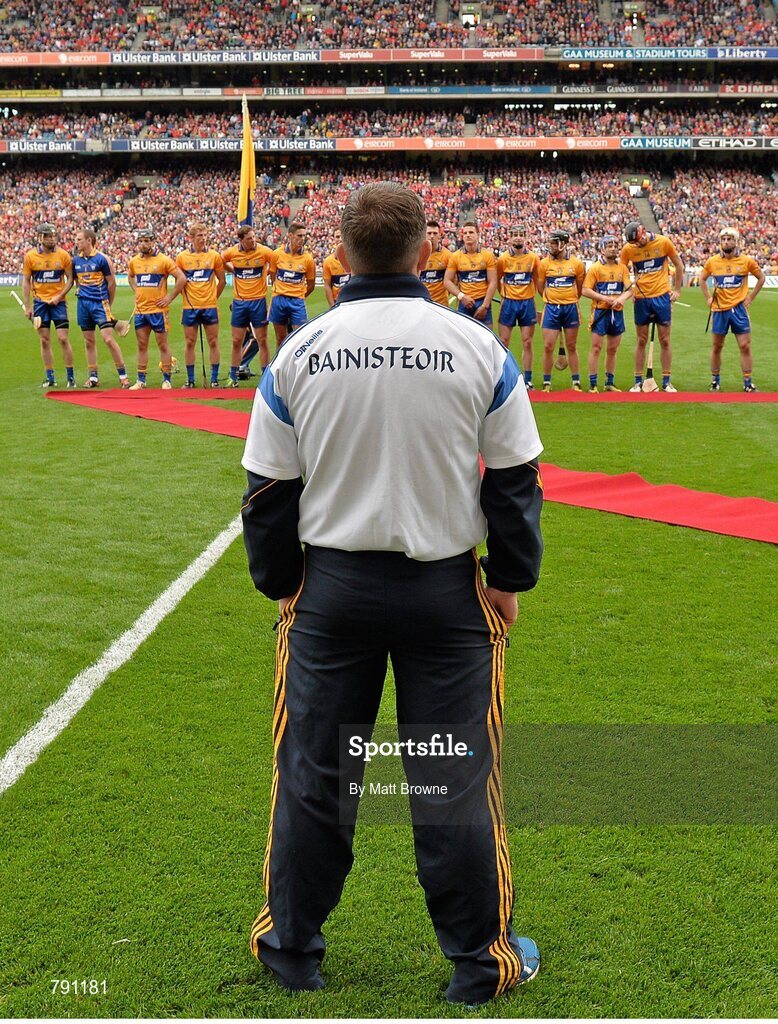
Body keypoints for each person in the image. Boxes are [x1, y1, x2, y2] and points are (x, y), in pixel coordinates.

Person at [241, 182, 544, 1007]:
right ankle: (479, 962)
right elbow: (515, 478)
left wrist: (282, 585)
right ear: (426, 251)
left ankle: (292, 946)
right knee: (452, 778)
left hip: (330, 592)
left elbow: (267, 491)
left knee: (314, 775)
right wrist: (509, 579)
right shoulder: (475, 345)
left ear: (339, 254)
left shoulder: (300, 351)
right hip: (446, 596)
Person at [620, 220, 685, 393]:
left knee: (665, 340)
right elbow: (622, 271)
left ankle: (666, 381)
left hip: (661, 297)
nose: (637, 245)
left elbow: (679, 264)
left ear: (643, 231)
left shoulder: (663, 242)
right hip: (641, 299)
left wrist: (677, 290)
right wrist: (630, 289)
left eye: (638, 240)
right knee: (641, 340)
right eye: (633, 243)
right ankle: (637, 381)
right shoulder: (628, 249)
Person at [700, 227, 765, 393]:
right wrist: (708, 298)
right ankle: (715, 381)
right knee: (717, 346)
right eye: (723, 239)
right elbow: (702, 278)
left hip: (738, 309)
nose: (726, 242)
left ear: (736, 242)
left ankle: (748, 382)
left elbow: (761, 278)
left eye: (729, 239)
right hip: (719, 310)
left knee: (745, 346)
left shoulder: (746, 261)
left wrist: (750, 298)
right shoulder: (713, 262)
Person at [69, 227, 131, 389]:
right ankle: (93, 377)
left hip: (99, 304)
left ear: (89, 240)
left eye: (79, 239)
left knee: (108, 339)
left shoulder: (102, 259)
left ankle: (123, 376)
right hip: (83, 305)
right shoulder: (76, 261)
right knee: (88, 341)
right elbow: (75, 280)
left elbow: (112, 283)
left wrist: (108, 304)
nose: (77, 242)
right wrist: (79, 289)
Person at [127, 227, 186, 390]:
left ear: (153, 242)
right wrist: (136, 290)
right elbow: (130, 276)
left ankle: (167, 379)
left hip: (158, 312)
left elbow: (181, 279)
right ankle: (141, 380)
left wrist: (169, 298)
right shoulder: (134, 262)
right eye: (141, 241)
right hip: (141, 311)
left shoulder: (164, 260)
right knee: (141, 345)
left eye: (147, 241)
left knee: (163, 344)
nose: (144, 244)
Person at [170, 223, 226, 388]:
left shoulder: (214, 256)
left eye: (204, 235)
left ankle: (214, 379)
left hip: (210, 306)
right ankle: (191, 380)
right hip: (190, 307)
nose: (203, 238)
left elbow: (222, 280)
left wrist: (213, 297)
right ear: (191, 238)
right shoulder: (182, 258)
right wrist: (189, 298)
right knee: (189, 342)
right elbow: (179, 282)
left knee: (213, 341)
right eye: (199, 235)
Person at [21, 223, 76, 389]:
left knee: (63, 338)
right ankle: (50, 378)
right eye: (47, 236)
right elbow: (26, 280)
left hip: (58, 304)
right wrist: (27, 305)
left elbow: (70, 280)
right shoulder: (30, 256)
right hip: (40, 304)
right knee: (44, 340)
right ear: (40, 238)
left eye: (53, 236)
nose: (52, 239)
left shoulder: (64, 256)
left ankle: (71, 378)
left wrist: (60, 296)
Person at [222, 225, 274, 386]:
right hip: (240, 302)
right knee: (237, 341)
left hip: (258, 301)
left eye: (254, 237)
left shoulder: (265, 252)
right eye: (249, 238)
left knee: (262, 340)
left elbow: (275, 266)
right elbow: (221, 260)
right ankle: (233, 376)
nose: (253, 240)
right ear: (241, 240)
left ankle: (265, 376)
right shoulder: (232, 252)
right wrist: (233, 271)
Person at [581, 235, 633, 393]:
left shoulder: (622, 268)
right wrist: (605, 298)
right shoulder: (595, 268)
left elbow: (630, 289)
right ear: (602, 249)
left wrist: (621, 299)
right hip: (600, 313)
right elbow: (585, 290)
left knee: (613, 349)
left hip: (616, 313)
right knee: (596, 348)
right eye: (609, 245)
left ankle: (609, 382)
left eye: (615, 244)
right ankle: (593, 383)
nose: (613, 247)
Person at [536, 230, 585, 392]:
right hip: (551, 308)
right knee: (548, 346)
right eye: (549, 242)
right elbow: (540, 287)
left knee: (571, 346)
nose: (550, 246)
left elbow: (579, 288)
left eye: (553, 242)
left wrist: (568, 299)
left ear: (563, 244)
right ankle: (547, 382)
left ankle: (576, 381)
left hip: (571, 307)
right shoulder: (544, 264)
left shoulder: (576, 264)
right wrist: (553, 299)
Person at [496, 227, 541, 388]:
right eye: (514, 235)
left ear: (525, 237)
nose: (517, 238)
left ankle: (528, 379)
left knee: (527, 342)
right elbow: (498, 280)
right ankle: (502, 377)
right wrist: (505, 296)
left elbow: (537, 281)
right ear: (509, 238)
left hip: (527, 303)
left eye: (521, 235)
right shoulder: (503, 259)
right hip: (509, 303)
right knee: (503, 342)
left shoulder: (533, 258)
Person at [268, 221, 316, 349]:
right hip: (279, 300)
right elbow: (273, 275)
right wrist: (281, 290)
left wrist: (299, 295)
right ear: (290, 236)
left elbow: (311, 285)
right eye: (299, 236)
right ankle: (279, 367)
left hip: (297, 302)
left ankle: (297, 368)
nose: (302, 239)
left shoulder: (308, 259)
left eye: (304, 236)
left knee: (300, 339)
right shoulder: (277, 254)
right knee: (280, 339)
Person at [444, 221, 498, 325]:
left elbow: (493, 282)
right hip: (464, 303)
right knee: (463, 339)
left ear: (478, 235)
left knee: (485, 338)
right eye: (465, 233)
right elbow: (447, 281)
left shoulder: (487, 255)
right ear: (462, 236)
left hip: (483, 302)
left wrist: (484, 306)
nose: (468, 235)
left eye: (471, 232)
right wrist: (461, 297)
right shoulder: (455, 256)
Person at [419, 220, 451, 306]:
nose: (432, 236)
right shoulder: (417, 254)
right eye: (429, 233)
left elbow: (453, 280)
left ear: (439, 235)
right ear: (424, 234)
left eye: (435, 233)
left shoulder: (447, 255)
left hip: (441, 304)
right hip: (422, 302)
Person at [322, 228, 351, 308]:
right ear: (333, 239)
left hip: (352, 300)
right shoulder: (328, 262)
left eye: (342, 236)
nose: (340, 239)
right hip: (337, 302)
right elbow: (327, 285)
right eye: (337, 237)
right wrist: (332, 305)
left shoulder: (354, 259)